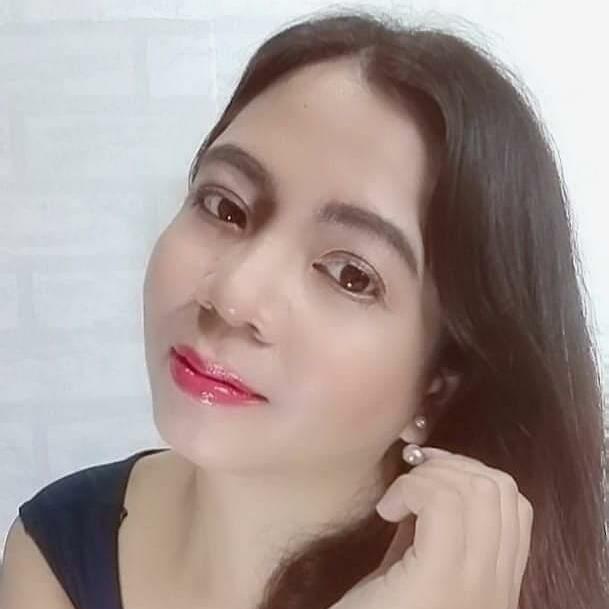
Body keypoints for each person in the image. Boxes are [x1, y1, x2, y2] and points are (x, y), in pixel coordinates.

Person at [1, 8, 608, 609]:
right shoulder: (56, 551)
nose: (233, 296)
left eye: (350, 275)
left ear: (439, 386)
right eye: (226, 207)